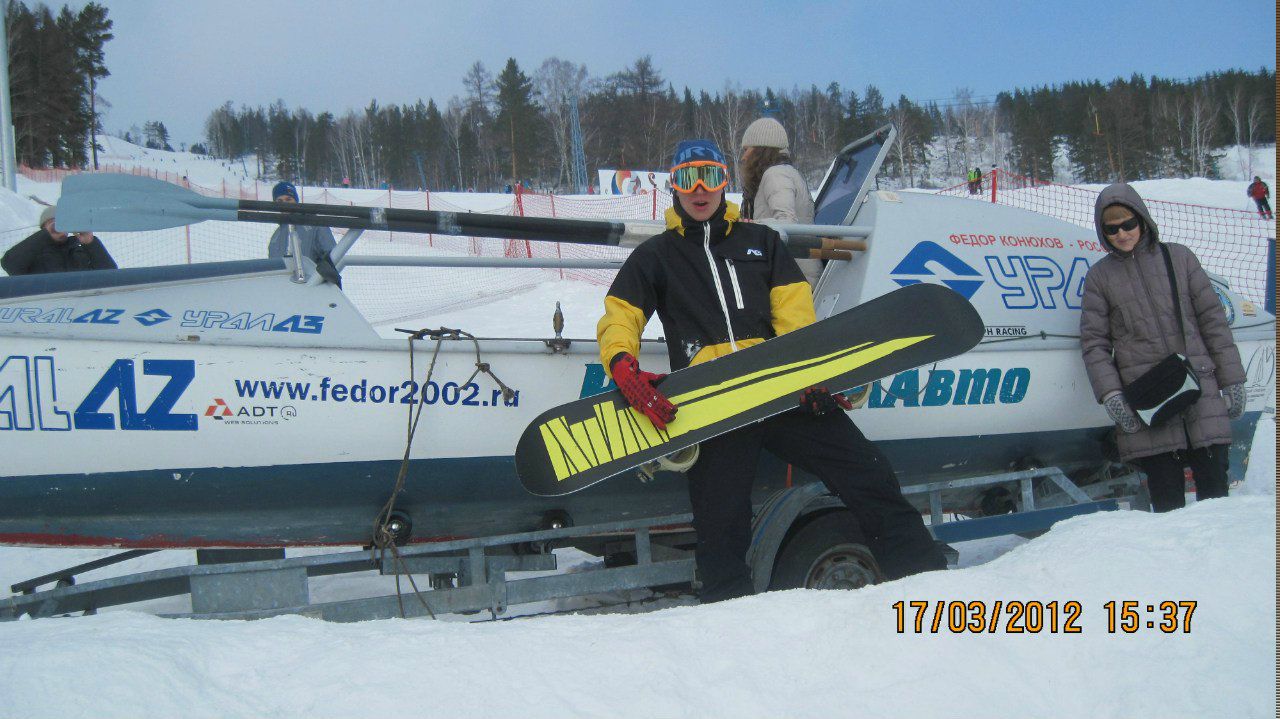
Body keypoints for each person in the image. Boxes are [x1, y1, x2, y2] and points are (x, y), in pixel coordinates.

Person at [597, 138, 946, 602]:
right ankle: (731, 619)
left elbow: (795, 317)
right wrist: (623, 365)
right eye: (687, 178)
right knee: (720, 523)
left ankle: (927, 581)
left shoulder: (760, 242)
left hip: (783, 393)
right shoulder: (657, 256)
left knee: (869, 473)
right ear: (674, 188)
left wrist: (812, 377)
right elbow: (621, 315)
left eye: (710, 176)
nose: (699, 189)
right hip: (715, 405)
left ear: (725, 182)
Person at [1079, 183, 1247, 513]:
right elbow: (1094, 343)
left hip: (1201, 394)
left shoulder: (1179, 258)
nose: (1122, 234)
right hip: (1150, 403)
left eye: (1128, 224)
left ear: (1142, 219)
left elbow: (1213, 322)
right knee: (1168, 510)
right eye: (1111, 229)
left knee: (1217, 505)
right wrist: (1112, 397)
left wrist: (1232, 380)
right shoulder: (1100, 278)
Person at [738, 117, 819, 285]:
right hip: (790, 273)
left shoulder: (776, 175)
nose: (744, 157)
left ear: (761, 150)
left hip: (794, 277)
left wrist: (746, 227)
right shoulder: (783, 173)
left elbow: (786, 223)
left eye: (747, 149)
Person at [2, 205, 117, 276]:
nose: (58, 227)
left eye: (62, 223)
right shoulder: (34, 256)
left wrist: (90, 242)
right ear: (43, 228)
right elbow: (10, 265)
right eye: (53, 223)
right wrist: (45, 235)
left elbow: (111, 275)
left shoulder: (79, 252)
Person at [266, 181, 340, 286]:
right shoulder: (276, 236)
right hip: (284, 290)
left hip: (312, 287)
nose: (284, 204)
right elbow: (272, 266)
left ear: (296, 200)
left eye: (288, 199)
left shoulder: (314, 224)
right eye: (279, 201)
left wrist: (321, 275)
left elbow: (333, 254)